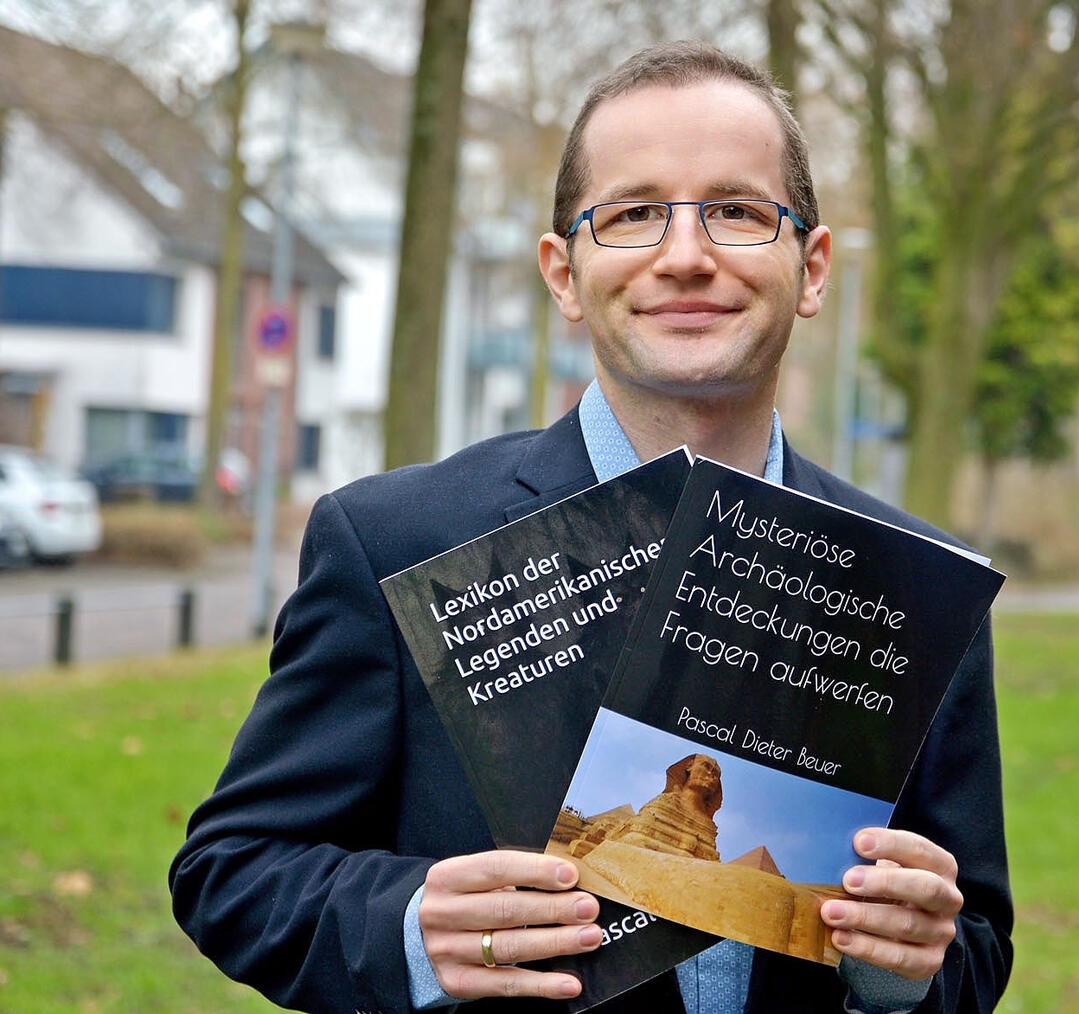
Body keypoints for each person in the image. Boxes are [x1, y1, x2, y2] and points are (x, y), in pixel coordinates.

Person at [170, 41, 1012, 1014]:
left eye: (736, 211)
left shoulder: (915, 589)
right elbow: (233, 871)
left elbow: (976, 944)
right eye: (633, 214)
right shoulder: (397, 545)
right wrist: (411, 926)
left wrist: (900, 971)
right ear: (564, 275)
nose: (686, 256)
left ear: (812, 268)